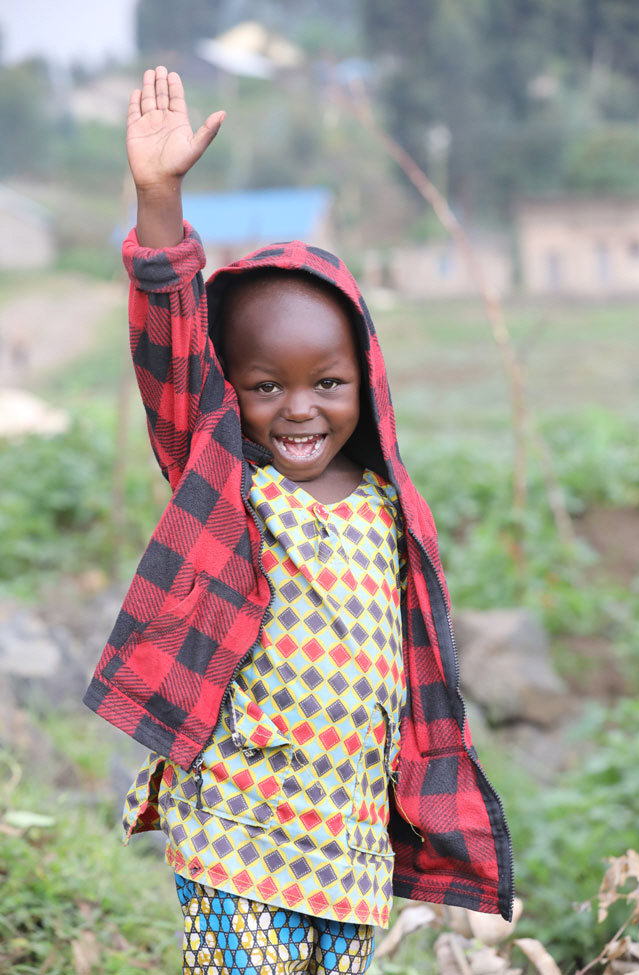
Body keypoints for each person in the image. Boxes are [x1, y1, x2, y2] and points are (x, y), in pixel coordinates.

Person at [84, 66, 513, 974]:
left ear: (367, 380)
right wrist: (159, 199)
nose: (300, 410)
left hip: (348, 858)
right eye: (265, 385)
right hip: (237, 840)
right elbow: (169, 347)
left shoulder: (393, 514)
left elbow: (419, 692)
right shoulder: (228, 479)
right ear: (229, 393)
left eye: (327, 381)